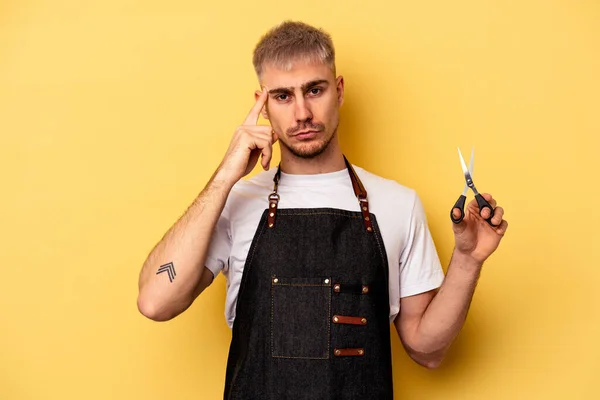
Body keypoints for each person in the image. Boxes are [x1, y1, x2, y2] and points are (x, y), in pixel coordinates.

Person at [137, 20, 508, 400]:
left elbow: (427, 350)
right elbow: (155, 301)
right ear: (261, 105)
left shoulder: (397, 203)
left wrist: (467, 259)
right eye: (282, 96)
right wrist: (224, 178)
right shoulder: (235, 203)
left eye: (314, 90)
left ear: (339, 90)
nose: (302, 114)